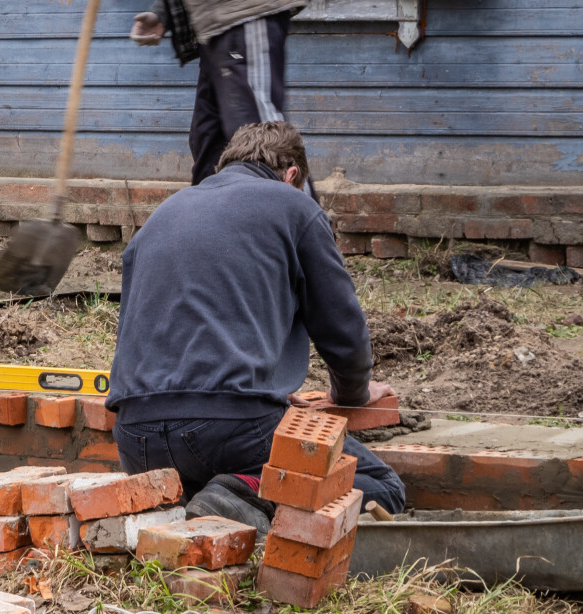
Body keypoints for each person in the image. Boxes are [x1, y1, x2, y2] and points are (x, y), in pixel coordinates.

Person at [105, 122, 405, 531]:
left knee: (206, 481)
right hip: (231, 431)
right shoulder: (294, 206)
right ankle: (249, 492)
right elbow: (341, 328)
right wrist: (352, 394)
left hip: (135, 440)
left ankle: (208, 500)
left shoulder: (162, 214)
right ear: (292, 175)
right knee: (382, 485)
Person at [131, 0, 311, 188]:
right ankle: (210, 207)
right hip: (212, 29)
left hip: (243, 14)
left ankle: (302, 207)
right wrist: (163, 12)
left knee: (266, 146)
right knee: (209, 148)